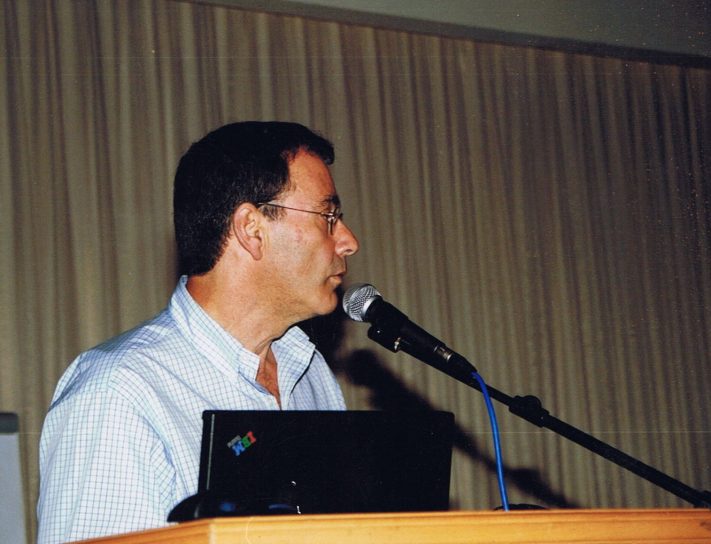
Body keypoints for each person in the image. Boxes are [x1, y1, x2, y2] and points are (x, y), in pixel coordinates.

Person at [37, 121, 360, 543]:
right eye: (329, 216)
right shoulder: (119, 391)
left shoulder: (311, 373)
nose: (348, 241)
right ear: (252, 229)